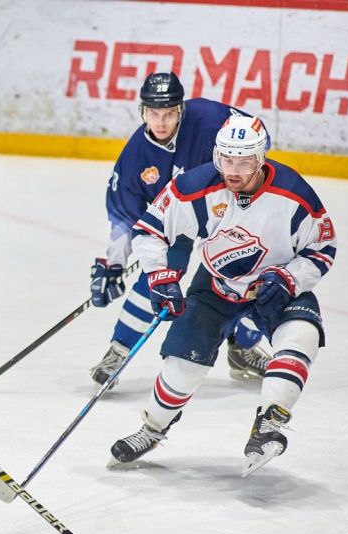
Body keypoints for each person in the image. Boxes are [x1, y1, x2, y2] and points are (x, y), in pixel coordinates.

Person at [108, 115, 336, 476]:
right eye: (226, 159)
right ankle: (152, 429)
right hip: (216, 285)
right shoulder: (196, 186)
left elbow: (322, 247)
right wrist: (159, 276)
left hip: (277, 286)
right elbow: (150, 229)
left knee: (302, 335)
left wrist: (291, 279)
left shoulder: (294, 194)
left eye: (244, 162)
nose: (233, 170)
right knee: (183, 366)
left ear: (261, 159)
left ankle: (269, 425)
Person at [89, 72, 272, 388]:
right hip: (172, 218)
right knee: (161, 272)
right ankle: (117, 352)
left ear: (181, 110)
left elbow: (259, 137)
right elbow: (124, 218)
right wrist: (114, 264)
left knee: (237, 268)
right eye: (154, 113)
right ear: (142, 111)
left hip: (223, 206)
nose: (161, 122)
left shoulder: (209, 118)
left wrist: (235, 174)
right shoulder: (134, 158)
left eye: (170, 113)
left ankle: (243, 345)